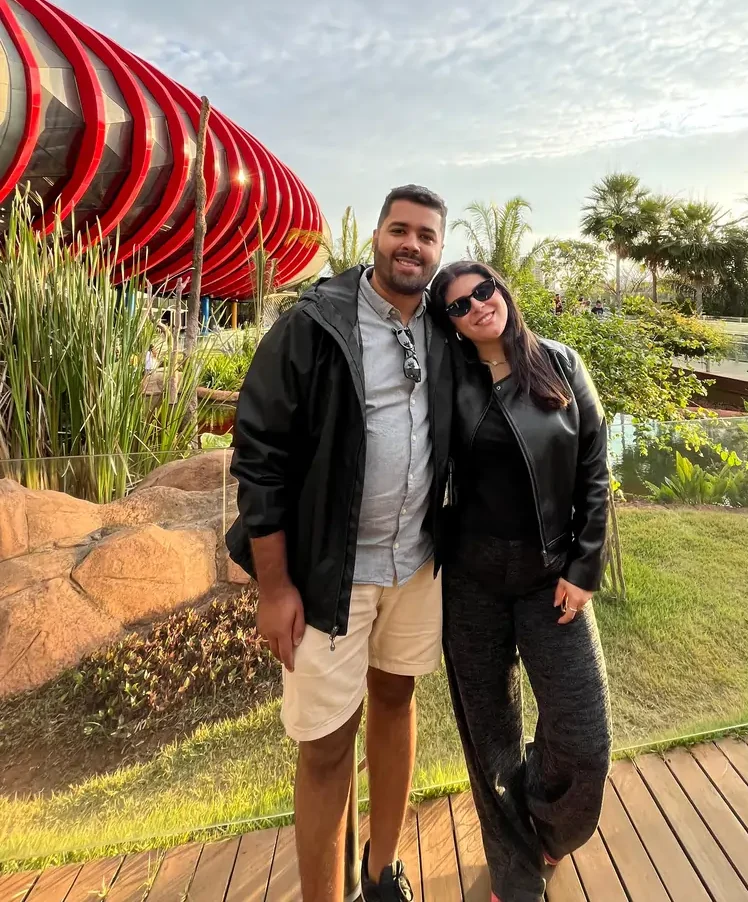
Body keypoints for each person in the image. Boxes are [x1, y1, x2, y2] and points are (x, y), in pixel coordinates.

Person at [226, 185, 452, 902]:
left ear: (439, 250)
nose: (411, 245)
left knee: (396, 700)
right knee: (325, 747)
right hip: (331, 573)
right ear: (377, 237)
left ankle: (382, 871)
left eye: (426, 235)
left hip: (415, 566)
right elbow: (259, 455)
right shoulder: (316, 324)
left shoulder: (444, 328)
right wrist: (274, 587)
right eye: (399, 230)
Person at [429, 261, 612, 902]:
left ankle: (548, 826)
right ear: (450, 323)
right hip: (471, 582)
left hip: (549, 578)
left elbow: (594, 468)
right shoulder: (447, 379)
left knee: (585, 739)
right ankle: (515, 873)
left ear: (501, 289)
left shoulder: (559, 364)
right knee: (490, 741)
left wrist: (584, 567)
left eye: (483, 290)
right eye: (459, 305)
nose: (478, 305)